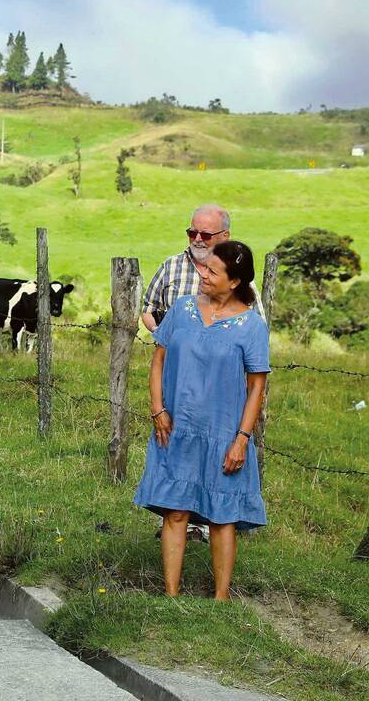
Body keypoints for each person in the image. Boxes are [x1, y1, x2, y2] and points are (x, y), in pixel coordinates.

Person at [134, 240, 270, 600]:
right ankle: (171, 595)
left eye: (212, 271)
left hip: (224, 434)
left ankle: (220, 600)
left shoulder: (252, 327)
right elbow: (158, 360)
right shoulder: (182, 309)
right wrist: (157, 408)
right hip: (175, 428)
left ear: (235, 281)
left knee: (222, 518)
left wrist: (242, 439)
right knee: (174, 512)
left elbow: (257, 388)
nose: (202, 274)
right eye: (203, 267)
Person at [141, 204, 263, 333]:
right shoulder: (170, 266)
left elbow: (257, 327)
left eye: (205, 235)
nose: (197, 239)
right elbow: (149, 309)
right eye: (192, 233)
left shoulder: (236, 273)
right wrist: (160, 334)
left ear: (225, 236)